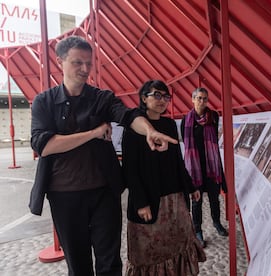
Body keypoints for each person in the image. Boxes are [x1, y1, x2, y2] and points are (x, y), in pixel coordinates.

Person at [29, 36, 177, 276]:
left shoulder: (101, 98)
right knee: (78, 265)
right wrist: (94, 133)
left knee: (110, 262)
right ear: (59, 62)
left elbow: (128, 115)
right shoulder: (44, 102)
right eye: (77, 63)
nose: (85, 69)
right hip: (64, 196)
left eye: (89, 63)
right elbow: (44, 145)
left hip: (104, 194)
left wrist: (149, 130)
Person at [122, 80, 206, 275]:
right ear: (144, 98)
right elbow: (130, 170)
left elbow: (178, 161)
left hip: (175, 199)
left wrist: (191, 187)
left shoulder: (169, 124)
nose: (162, 101)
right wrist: (140, 203)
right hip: (149, 201)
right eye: (157, 95)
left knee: (179, 244)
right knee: (149, 251)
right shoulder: (134, 127)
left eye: (166, 97)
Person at [180, 87, 228, 248]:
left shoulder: (213, 117)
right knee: (196, 202)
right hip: (195, 169)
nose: (202, 101)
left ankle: (217, 222)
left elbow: (215, 139)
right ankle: (198, 230)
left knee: (215, 198)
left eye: (205, 98)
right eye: (199, 98)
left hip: (211, 166)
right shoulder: (186, 119)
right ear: (192, 99)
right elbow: (186, 145)